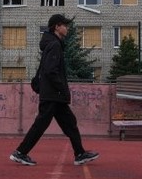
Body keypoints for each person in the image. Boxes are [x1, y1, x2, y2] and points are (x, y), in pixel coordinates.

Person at [10, 14, 99, 166]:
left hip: (54, 95)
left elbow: (47, 68)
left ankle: (80, 153)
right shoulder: (54, 45)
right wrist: (62, 89)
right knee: (41, 125)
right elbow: (51, 70)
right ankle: (20, 152)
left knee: (70, 123)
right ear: (57, 27)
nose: (67, 28)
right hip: (53, 94)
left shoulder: (53, 44)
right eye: (65, 25)